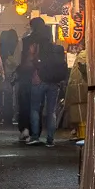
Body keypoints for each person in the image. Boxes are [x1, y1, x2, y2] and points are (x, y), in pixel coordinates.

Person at [27, 17, 69, 147]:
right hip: (53, 82)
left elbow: (30, 62)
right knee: (51, 111)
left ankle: (35, 136)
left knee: (35, 108)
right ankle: (50, 139)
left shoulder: (36, 46)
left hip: (39, 80)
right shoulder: (56, 48)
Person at [13, 36, 39, 143]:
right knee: (33, 107)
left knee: (24, 106)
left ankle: (25, 129)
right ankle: (32, 132)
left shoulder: (23, 44)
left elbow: (16, 63)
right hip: (35, 82)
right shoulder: (41, 43)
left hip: (24, 81)